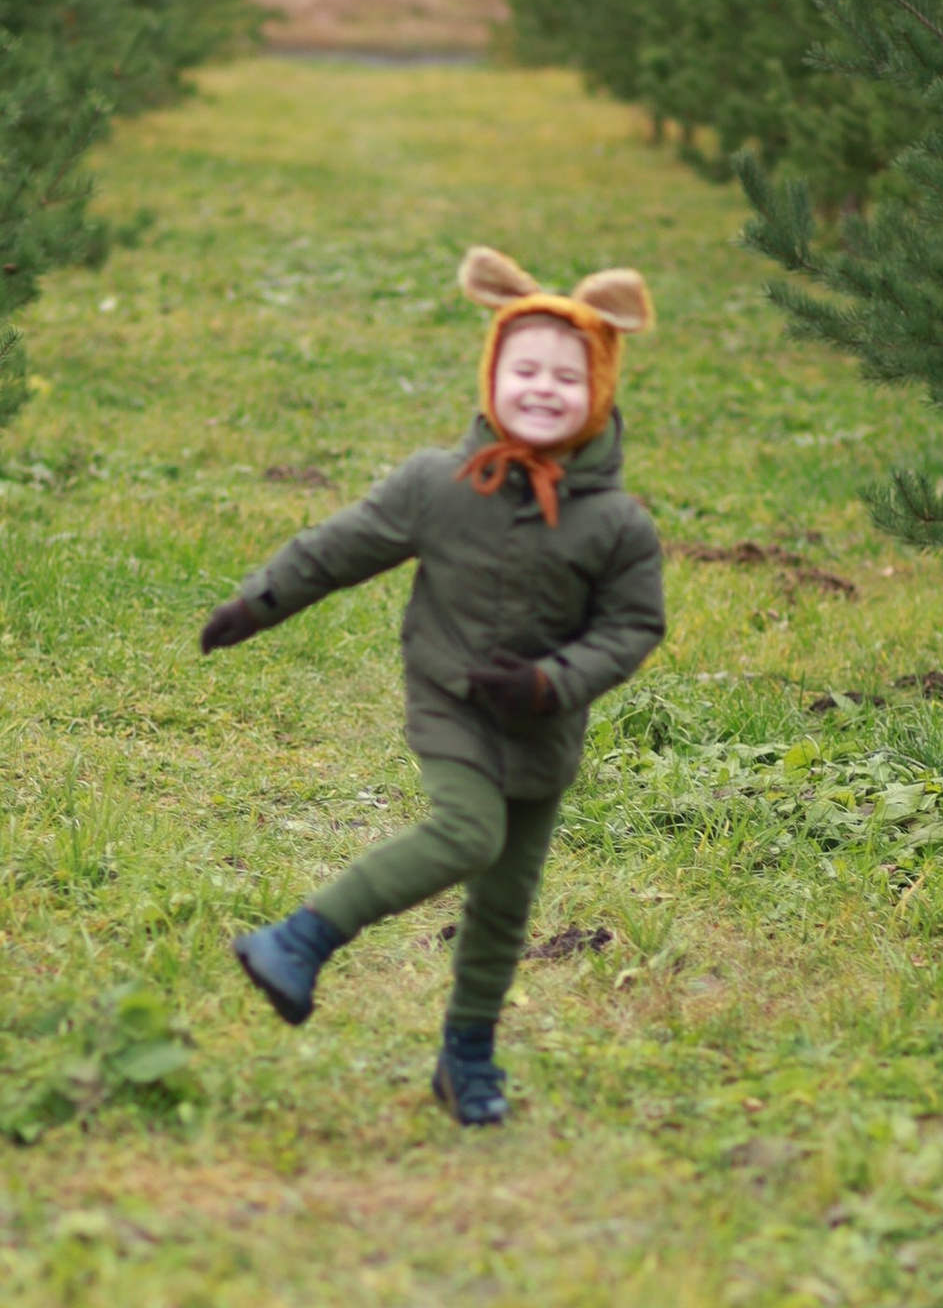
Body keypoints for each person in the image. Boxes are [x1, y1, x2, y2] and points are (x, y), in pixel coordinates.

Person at [198, 243, 666, 1128]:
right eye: (523, 368)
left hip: (543, 722)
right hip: (451, 700)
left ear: (599, 391)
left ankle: (467, 1056)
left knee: (504, 904)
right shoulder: (436, 485)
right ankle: (298, 940)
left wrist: (551, 682)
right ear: (492, 373)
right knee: (466, 829)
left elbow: (633, 627)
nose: (540, 388)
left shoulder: (617, 524)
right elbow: (339, 547)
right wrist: (258, 601)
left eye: (566, 377)